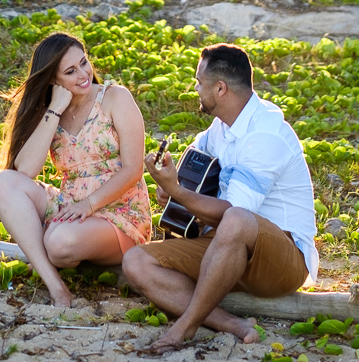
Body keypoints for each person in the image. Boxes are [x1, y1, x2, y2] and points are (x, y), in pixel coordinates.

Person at [123, 42, 318, 354]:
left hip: (284, 259)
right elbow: (194, 163)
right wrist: (173, 185)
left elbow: (234, 214)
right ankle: (231, 323)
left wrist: (177, 191)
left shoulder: (264, 136)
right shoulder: (223, 126)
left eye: (199, 82)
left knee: (237, 220)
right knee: (136, 261)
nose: (195, 89)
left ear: (221, 88)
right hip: (226, 249)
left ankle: (184, 326)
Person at [0, 32, 151, 307]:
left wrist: (89, 205)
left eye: (84, 63)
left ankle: (46, 244)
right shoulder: (52, 111)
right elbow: (25, 170)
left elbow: (134, 169)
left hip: (120, 212)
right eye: (70, 71)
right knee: (4, 182)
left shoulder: (114, 98)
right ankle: (57, 287)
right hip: (71, 207)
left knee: (59, 243)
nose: (83, 74)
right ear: (54, 80)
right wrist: (54, 107)